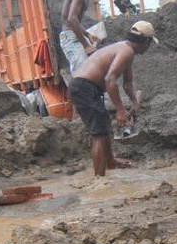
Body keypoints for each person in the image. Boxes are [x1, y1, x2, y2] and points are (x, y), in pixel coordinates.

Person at [68, 20, 158, 177]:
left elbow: (127, 83)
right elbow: (110, 79)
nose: (149, 48)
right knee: (99, 133)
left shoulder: (127, 50)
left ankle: (110, 163)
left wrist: (135, 103)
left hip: (87, 87)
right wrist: (121, 110)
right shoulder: (126, 51)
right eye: (150, 43)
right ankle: (99, 180)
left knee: (104, 126)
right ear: (145, 41)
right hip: (84, 87)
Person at [61, 0, 100, 76]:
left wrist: (87, 35)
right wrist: (86, 45)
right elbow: (71, 19)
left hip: (72, 35)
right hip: (70, 37)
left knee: (88, 71)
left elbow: (75, 20)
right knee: (82, 74)